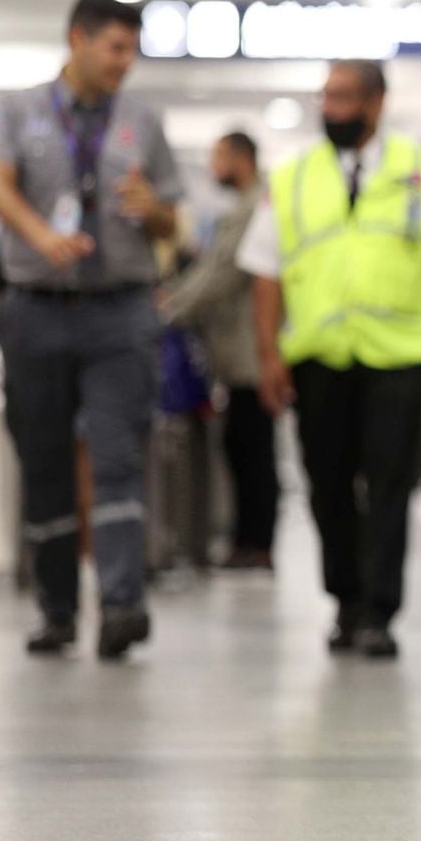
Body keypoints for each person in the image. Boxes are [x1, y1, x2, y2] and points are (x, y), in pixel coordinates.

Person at [239, 60, 421, 659]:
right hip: (320, 356)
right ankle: (344, 599)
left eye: (344, 98)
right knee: (327, 484)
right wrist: (268, 355)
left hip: (401, 356)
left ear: (376, 103)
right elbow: (265, 273)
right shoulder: (293, 175)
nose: (332, 109)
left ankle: (378, 611)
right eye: (326, 98)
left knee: (390, 483)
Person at [0, 0, 183, 660]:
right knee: (44, 463)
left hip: (119, 310)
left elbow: (171, 222)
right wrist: (41, 236)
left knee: (120, 457)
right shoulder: (17, 110)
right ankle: (57, 609)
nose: (125, 63)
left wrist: (154, 209)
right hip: (35, 306)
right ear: (78, 40)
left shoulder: (143, 120)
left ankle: (122, 605)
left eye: (132, 50)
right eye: (114, 48)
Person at [160, 131, 277, 571]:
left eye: (218, 156)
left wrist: (171, 306)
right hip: (237, 352)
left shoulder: (254, 208)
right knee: (241, 446)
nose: (212, 168)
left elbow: (222, 272)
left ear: (240, 158)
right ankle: (248, 540)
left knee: (252, 449)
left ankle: (257, 545)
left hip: (251, 352)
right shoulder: (245, 207)